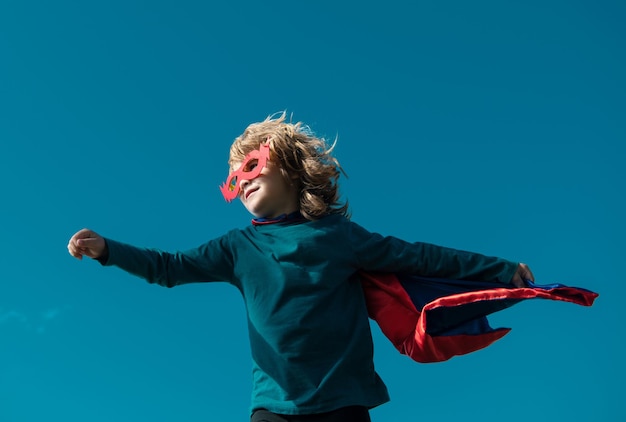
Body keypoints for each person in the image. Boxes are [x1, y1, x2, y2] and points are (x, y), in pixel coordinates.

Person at [68, 112, 534, 422]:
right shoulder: (238, 247)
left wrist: (499, 269)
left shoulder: (339, 237)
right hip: (273, 406)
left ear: (289, 166)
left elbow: (419, 256)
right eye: (232, 180)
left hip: (344, 403)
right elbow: (168, 267)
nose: (241, 181)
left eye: (250, 166)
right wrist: (109, 249)